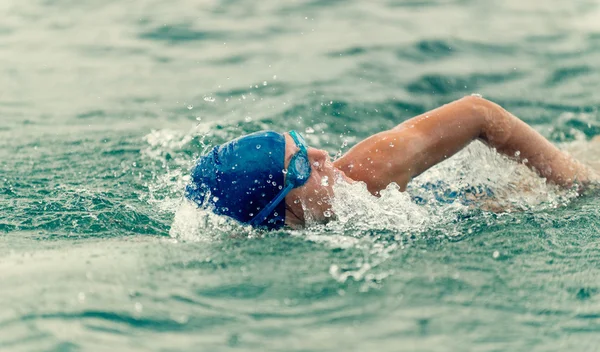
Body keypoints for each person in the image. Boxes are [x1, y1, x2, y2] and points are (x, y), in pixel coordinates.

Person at [185, 95, 598, 229]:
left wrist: (575, 178)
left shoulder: (365, 175)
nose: (321, 156)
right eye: (301, 168)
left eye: (300, 143)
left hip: (530, 181)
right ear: (285, 213)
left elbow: (479, 111)